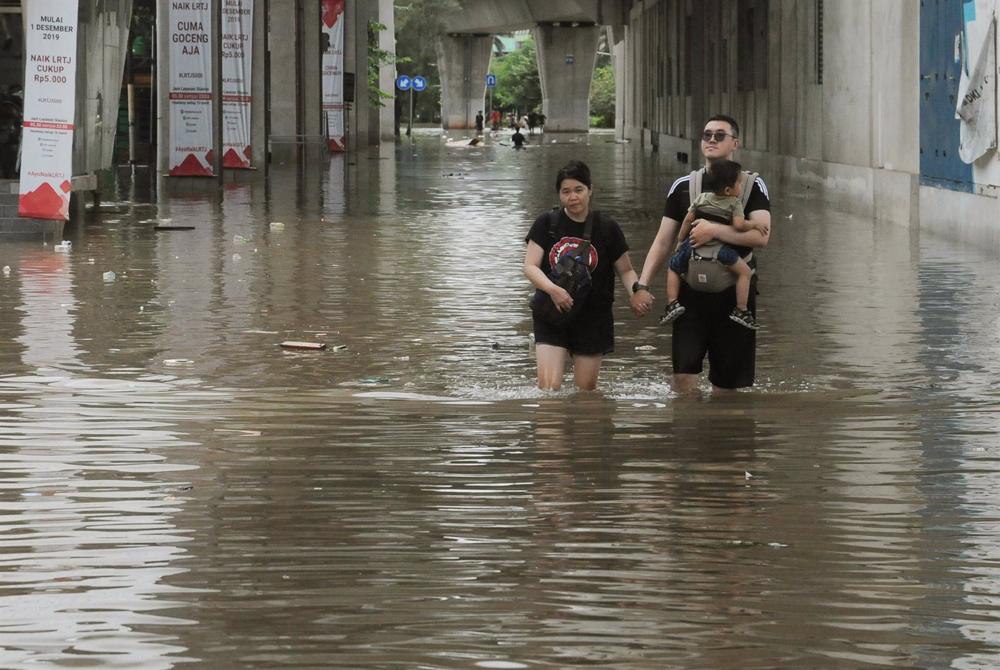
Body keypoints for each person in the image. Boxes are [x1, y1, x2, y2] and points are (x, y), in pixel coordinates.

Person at [630, 114, 772, 392]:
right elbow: (662, 241)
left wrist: (714, 232)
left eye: (720, 135)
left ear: (735, 143)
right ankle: (688, 431)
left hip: (734, 296)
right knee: (682, 378)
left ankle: (721, 433)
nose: (712, 140)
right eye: (707, 135)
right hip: (689, 296)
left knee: (729, 387)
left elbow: (762, 235)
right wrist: (641, 285)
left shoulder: (752, 186)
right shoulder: (683, 186)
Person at [524, 160, 640, 391]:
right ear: (559, 194)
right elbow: (530, 266)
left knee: (586, 393)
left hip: (593, 317)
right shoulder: (546, 223)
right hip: (552, 313)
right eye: (566, 191)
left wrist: (637, 292)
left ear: (590, 190)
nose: (573, 197)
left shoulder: (608, 228)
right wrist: (553, 290)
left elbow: (626, 270)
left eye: (578, 190)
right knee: (549, 389)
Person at [660, 159, 766, 330]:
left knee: (673, 267)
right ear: (727, 190)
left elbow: (688, 220)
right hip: (721, 250)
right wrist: (753, 224)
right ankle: (741, 309)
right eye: (739, 183)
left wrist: (680, 240)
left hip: (693, 245)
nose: (741, 186)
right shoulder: (735, 203)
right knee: (745, 272)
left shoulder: (701, 197)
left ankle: (672, 302)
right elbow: (739, 226)